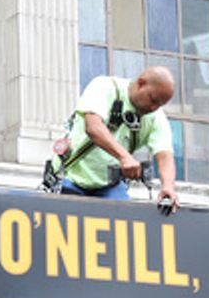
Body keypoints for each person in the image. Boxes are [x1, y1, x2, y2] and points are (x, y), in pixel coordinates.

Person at [56, 66, 181, 212]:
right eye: (152, 100)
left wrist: (167, 186)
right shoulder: (105, 87)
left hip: (109, 187)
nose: (153, 108)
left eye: (160, 104)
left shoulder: (156, 117)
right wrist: (124, 157)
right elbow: (93, 127)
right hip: (71, 177)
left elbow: (164, 156)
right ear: (141, 83)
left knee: (125, 221)